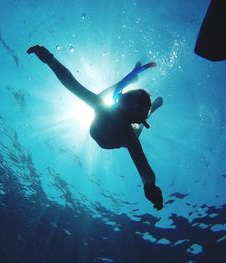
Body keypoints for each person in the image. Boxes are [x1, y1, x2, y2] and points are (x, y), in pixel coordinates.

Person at [27, 45, 163, 210]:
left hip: (113, 132)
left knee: (126, 120)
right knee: (104, 100)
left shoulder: (129, 136)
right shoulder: (109, 113)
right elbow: (73, 85)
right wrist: (50, 61)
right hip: (108, 127)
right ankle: (135, 93)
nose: (122, 99)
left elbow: (145, 169)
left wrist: (51, 61)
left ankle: (147, 109)